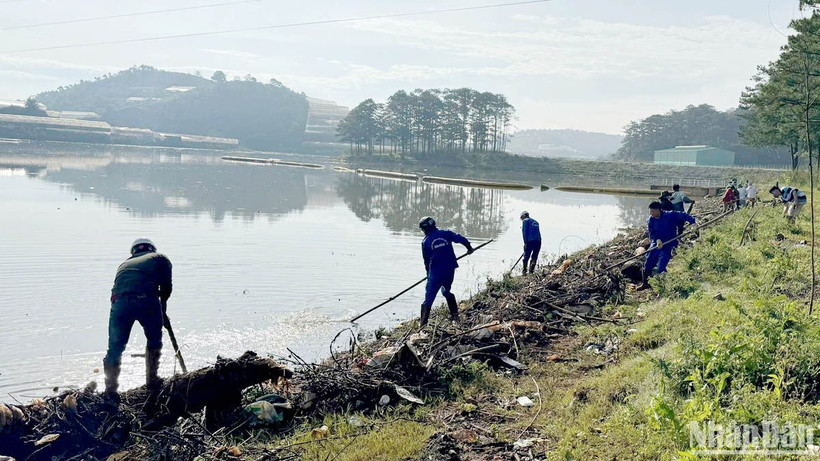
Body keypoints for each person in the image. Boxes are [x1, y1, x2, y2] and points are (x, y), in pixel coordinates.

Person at [103, 238, 173, 399]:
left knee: (115, 347)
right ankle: (152, 382)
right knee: (154, 341)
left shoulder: (124, 264)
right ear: (152, 249)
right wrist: (163, 310)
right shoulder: (160, 258)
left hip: (119, 303)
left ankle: (110, 390)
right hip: (146, 299)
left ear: (133, 251)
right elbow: (166, 289)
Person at [418, 217, 473, 327]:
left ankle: (423, 324)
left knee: (428, 299)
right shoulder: (446, 233)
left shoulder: (426, 242)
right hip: (449, 270)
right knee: (446, 291)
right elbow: (461, 239)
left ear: (425, 229)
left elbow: (426, 261)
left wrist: (428, 274)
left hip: (435, 274)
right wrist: (469, 248)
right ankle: (455, 316)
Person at [637, 202, 696, 291]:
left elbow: (684, 215)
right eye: (650, 211)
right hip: (656, 243)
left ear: (658, 210)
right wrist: (656, 240)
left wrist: (693, 223)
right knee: (648, 263)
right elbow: (651, 233)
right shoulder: (651, 220)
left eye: (652, 211)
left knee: (661, 267)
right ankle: (645, 283)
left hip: (668, 244)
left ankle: (664, 286)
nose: (651, 213)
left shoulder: (670, 215)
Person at [520, 211, 542, 275]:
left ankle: (524, 272)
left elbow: (524, 233)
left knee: (526, 257)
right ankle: (531, 272)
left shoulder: (525, 221)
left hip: (530, 241)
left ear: (523, 216)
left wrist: (525, 243)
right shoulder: (536, 222)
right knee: (534, 257)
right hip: (538, 241)